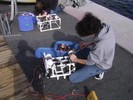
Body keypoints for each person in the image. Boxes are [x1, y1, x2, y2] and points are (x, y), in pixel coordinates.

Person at [69, 12, 116, 83]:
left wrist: (75, 60)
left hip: (101, 65)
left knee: (72, 78)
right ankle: (93, 58)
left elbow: (89, 62)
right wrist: (88, 43)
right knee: (77, 46)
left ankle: (99, 72)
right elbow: (100, 41)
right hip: (100, 53)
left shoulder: (100, 46)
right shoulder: (106, 27)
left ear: (91, 34)